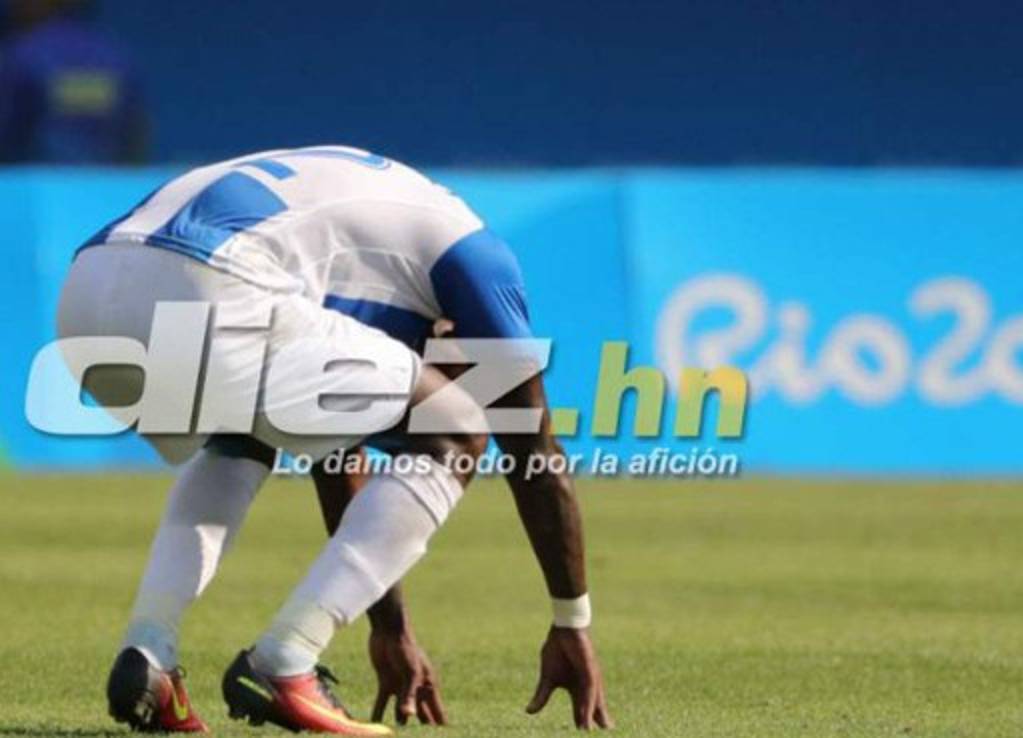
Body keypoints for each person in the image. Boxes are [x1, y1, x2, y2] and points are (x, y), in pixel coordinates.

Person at [56, 145, 611, 733]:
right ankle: (285, 662)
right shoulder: (480, 261)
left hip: (86, 293)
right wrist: (571, 620)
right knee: (458, 426)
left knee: (242, 431)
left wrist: (389, 627)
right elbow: (533, 449)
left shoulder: (374, 243)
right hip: (209, 282)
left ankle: (148, 652)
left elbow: (333, 444)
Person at [0, 0, 149, 163]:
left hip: (34, 175)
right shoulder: (115, 55)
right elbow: (136, 133)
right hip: (105, 175)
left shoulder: (22, 55)